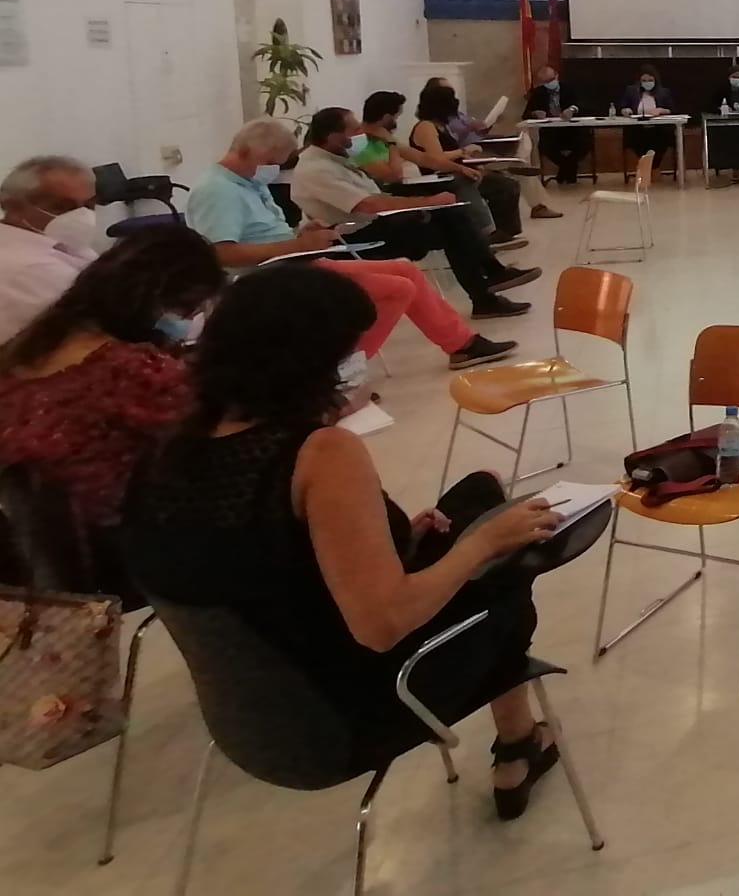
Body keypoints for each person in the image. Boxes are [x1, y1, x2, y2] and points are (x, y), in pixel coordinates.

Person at [124, 265, 571, 818]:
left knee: (473, 502)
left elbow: (251, 559)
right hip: (350, 712)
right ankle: (518, 742)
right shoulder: (319, 454)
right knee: (502, 561)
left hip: (250, 716)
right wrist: (480, 548)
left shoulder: (167, 451)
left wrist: (388, 541)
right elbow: (382, 626)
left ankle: (520, 741)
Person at [184, 118, 520, 367]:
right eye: (273, 163)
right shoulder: (219, 191)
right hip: (268, 277)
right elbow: (221, 254)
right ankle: (339, 370)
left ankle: (461, 344)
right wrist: (296, 246)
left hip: (297, 260)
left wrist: (300, 236)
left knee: (404, 270)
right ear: (250, 153)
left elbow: (264, 233)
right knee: (396, 289)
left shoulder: (248, 183)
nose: (275, 172)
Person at [0, 225, 225, 589]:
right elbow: (218, 436)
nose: (186, 323)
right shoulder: (126, 368)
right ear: (154, 298)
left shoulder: (31, 344)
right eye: (186, 309)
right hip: (130, 551)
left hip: (52, 561)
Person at [291, 108, 540, 319]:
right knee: (450, 222)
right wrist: (428, 201)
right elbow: (369, 204)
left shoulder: (339, 157)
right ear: (334, 137)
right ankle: (487, 287)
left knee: (451, 216)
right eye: (354, 131)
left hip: (375, 223)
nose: (361, 135)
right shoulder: (316, 169)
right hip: (353, 238)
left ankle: (489, 284)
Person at [394, 87, 524, 249]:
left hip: (457, 168)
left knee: (506, 183)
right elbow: (436, 158)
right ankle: (488, 233)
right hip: (442, 175)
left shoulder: (442, 126)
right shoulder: (425, 127)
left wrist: (469, 158)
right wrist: (463, 151)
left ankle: (505, 232)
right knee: (484, 184)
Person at [426, 76, 560, 220]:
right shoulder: (437, 120)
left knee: (523, 137)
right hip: (473, 151)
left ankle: (521, 167)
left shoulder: (457, 113)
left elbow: (475, 131)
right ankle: (535, 201)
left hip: (482, 143)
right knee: (521, 163)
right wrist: (468, 130)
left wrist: (486, 124)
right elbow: (449, 141)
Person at [0, 156, 97, 343]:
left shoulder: (62, 244)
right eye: (63, 207)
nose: (82, 215)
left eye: (89, 205)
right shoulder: (28, 267)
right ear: (13, 206)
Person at [523, 65, 591, 186]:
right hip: (551, 132)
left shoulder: (569, 88)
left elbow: (582, 105)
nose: (549, 84)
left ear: (557, 76)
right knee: (545, 146)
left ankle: (564, 171)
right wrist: (535, 113)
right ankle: (569, 169)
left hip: (572, 130)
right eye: (545, 82)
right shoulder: (538, 92)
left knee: (585, 143)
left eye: (550, 80)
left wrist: (572, 109)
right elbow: (525, 114)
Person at [614, 69, 678, 178]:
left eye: (650, 80)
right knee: (637, 139)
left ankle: (653, 168)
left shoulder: (664, 92)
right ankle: (647, 167)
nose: (647, 82)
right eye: (644, 80)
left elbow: (673, 109)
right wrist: (625, 110)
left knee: (661, 139)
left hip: (659, 129)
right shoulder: (631, 91)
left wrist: (661, 110)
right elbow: (622, 106)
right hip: (638, 129)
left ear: (655, 80)